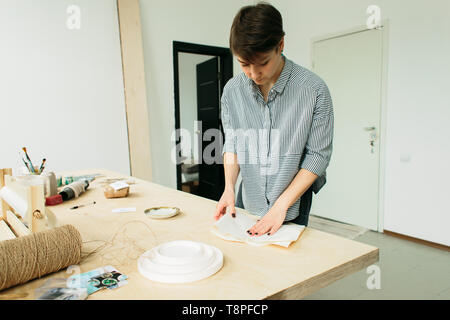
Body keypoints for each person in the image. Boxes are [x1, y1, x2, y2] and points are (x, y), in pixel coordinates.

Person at [213, 2, 334, 237]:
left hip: (291, 204)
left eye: (263, 63)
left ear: (280, 45)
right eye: (244, 64)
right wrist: (228, 188)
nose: (254, 74)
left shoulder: (314, 90)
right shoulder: (231, 91)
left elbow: (319, 155)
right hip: (248, 199)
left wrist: (281, 206)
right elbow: (233, 143)